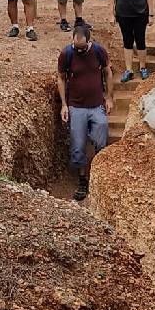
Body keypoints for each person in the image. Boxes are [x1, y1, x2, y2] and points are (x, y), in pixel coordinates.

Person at [57, 26, 114, 201]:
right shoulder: (67, 54)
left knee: (100, 138)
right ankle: (82, 180)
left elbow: (108, 72)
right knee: (78, 143)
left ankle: (99, 175)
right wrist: (64, 105)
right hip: (76, 106)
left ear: (89, 41)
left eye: (82, 47)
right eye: (76, 47)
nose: (79, 50)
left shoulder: (98, 51)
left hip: (96, 105)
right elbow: (60, 77)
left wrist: (109, 97)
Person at [109, 0, 154, 83]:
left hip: (141, 13)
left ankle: (142, 67)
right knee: (127, 40)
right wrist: (111, 14)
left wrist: (151, 14)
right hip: (123, 13)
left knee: (140, 39)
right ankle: (129, 70)